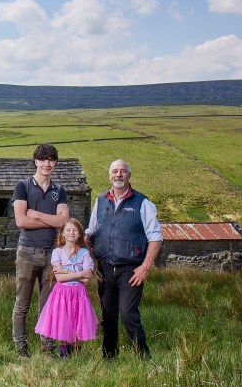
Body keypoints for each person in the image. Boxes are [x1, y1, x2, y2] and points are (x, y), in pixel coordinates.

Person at [85, 159, 162, 359]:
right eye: (114, 171)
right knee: (108, 316)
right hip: (104, 267)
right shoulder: (101, 200)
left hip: (131, 269)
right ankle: (109, 357)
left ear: (129, 175)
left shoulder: (142, 202)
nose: (118, 175)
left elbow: (155, 237)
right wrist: (88, 259)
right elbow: (90, 232)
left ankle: (142, 357)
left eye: (123, 171)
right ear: (109, 175)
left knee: (128, 314)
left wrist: (145, 267)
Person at [10, 144, 69, 358]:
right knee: (22, 304)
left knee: (47, 306)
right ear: (35, 161)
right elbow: (21, 220)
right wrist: (51, 220)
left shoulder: (59, 190)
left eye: (51, 159)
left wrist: (37, 215)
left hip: (52, 254)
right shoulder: (22, 186)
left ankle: (47, 350)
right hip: (27, 251)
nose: (47, 163)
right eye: (43, 159)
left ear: (55, 163)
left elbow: (63, 221)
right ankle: (21, 350)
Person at [34, 218, 98, 358]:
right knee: (64, 323)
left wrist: (67, 271)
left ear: (80, 234)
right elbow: (60, 278)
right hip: (62, 293)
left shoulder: (84, 253)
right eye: (68, 230)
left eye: (75, 230)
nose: (71, 233)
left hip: (78, 294)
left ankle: (74, 354)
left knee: (76, 324)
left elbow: (87, 279)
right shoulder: (57, 252)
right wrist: (79, 273)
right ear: (62, 233)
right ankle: (64, 356)